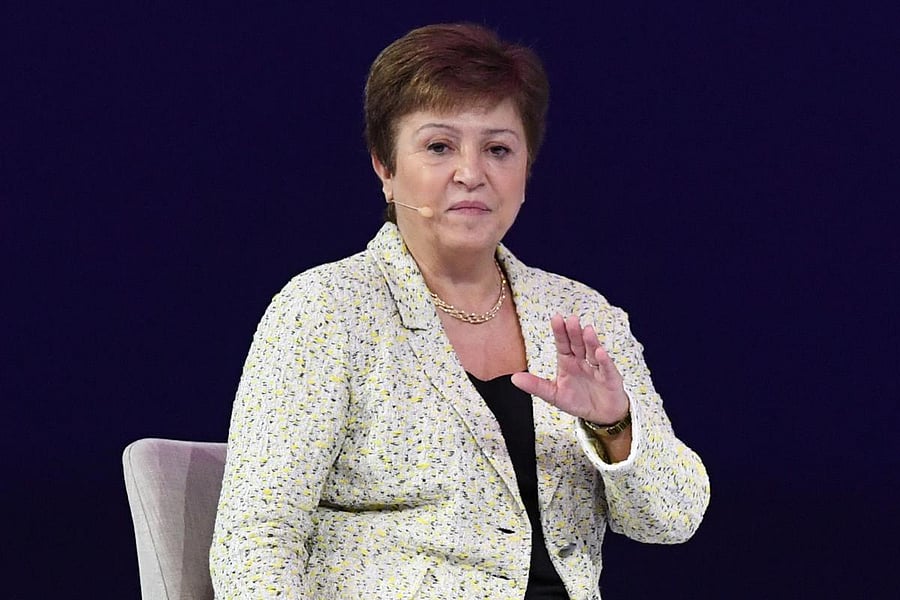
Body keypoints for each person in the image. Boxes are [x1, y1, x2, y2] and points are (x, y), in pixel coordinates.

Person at [210, 23, 710, 600]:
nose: (471, 174)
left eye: (498, 149)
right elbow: (255, 542)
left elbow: (671, 522)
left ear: (526, 170)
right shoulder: (324, 310)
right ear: (385, 167)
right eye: (439, 146)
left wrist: (613, 425)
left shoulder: (579, 315)